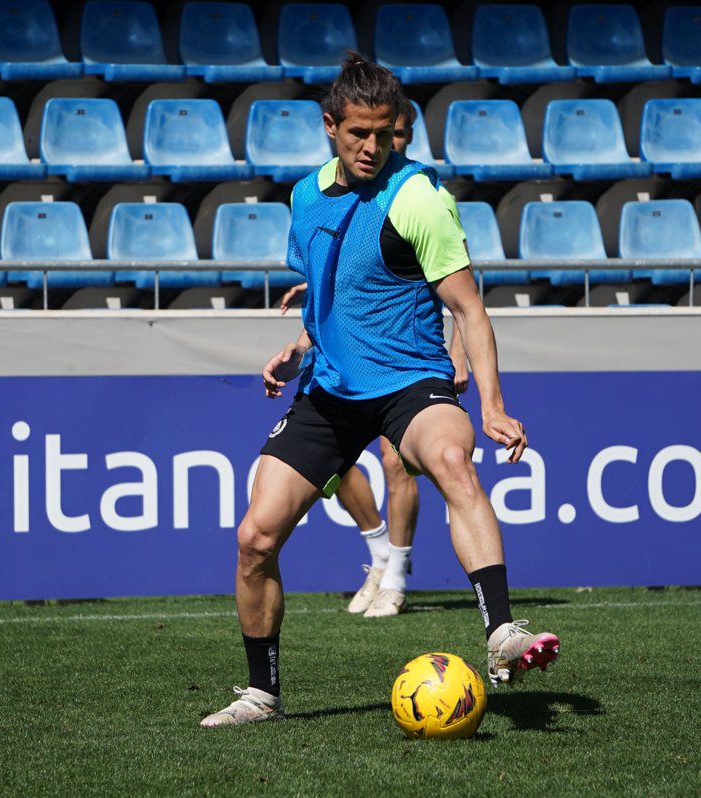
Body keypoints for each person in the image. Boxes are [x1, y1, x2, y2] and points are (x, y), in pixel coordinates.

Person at [201, 53, 559, 727]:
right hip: (333, 391)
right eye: (359, 133)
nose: (373, 147)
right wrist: (301, 343)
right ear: (330, 126)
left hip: (411, 382)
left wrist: (492, 404)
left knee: (453, 461)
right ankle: (262, 695)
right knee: (254, 537)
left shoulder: (418, 196)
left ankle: (503, 634)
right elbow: (336, 287)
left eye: (386, 134)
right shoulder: (306, 197)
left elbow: (470, 309)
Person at [277, 98, 470, 619]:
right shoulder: (329, 193)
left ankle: (398, 575)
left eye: (398, 134)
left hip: (402, 357)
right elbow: (343, 280)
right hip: (340, 360)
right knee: (333, 471)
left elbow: (462, 289)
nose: (387, 144)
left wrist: (459, 353)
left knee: (395, 461)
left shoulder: (419, 194)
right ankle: (379, 551)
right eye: (383, 133)